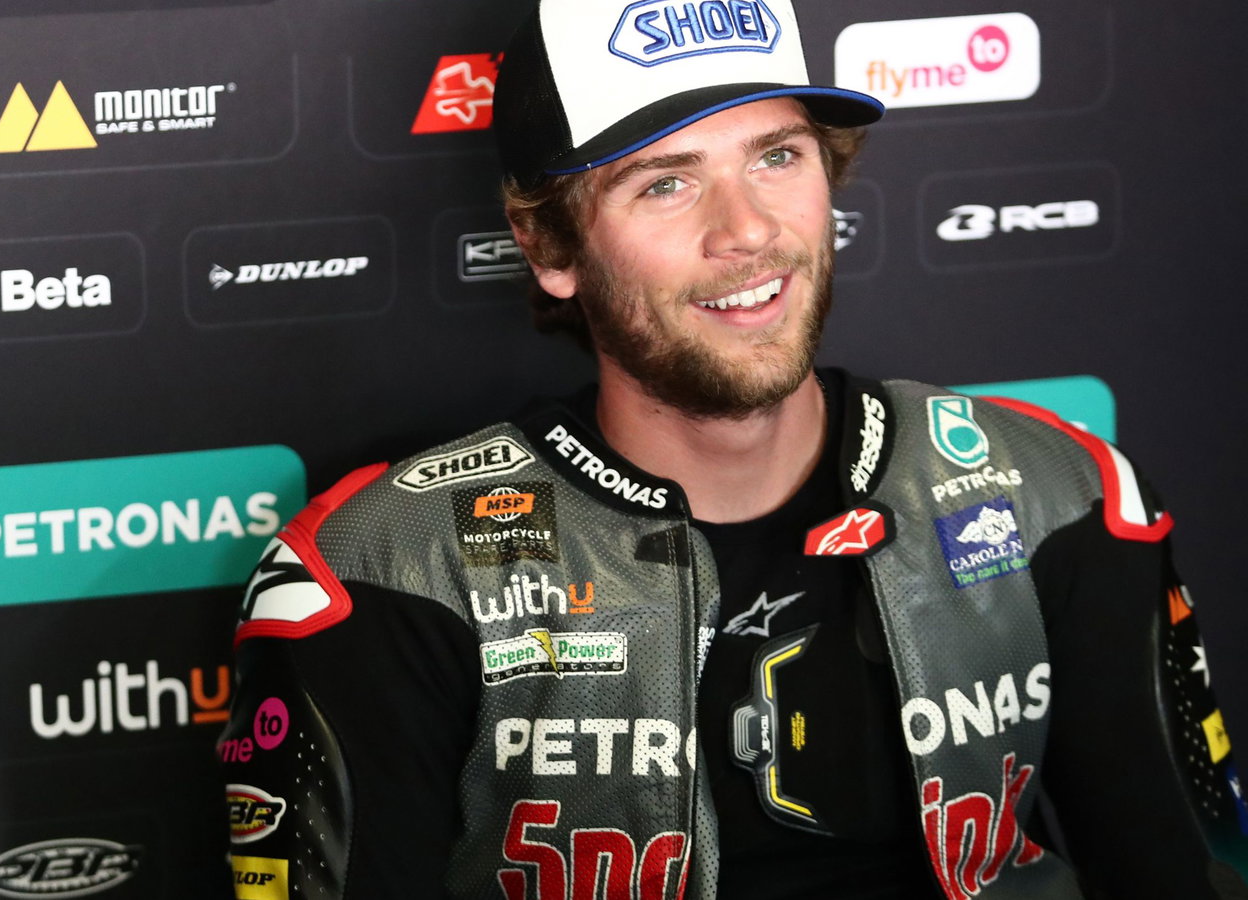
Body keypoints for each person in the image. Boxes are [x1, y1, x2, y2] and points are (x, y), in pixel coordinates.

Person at [219, 1, 1248, 897]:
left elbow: (1181, 873)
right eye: (666, 184)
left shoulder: (1056, 496)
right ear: (549, 247)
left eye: (776, 157)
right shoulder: (385, 570)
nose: (747, 229)